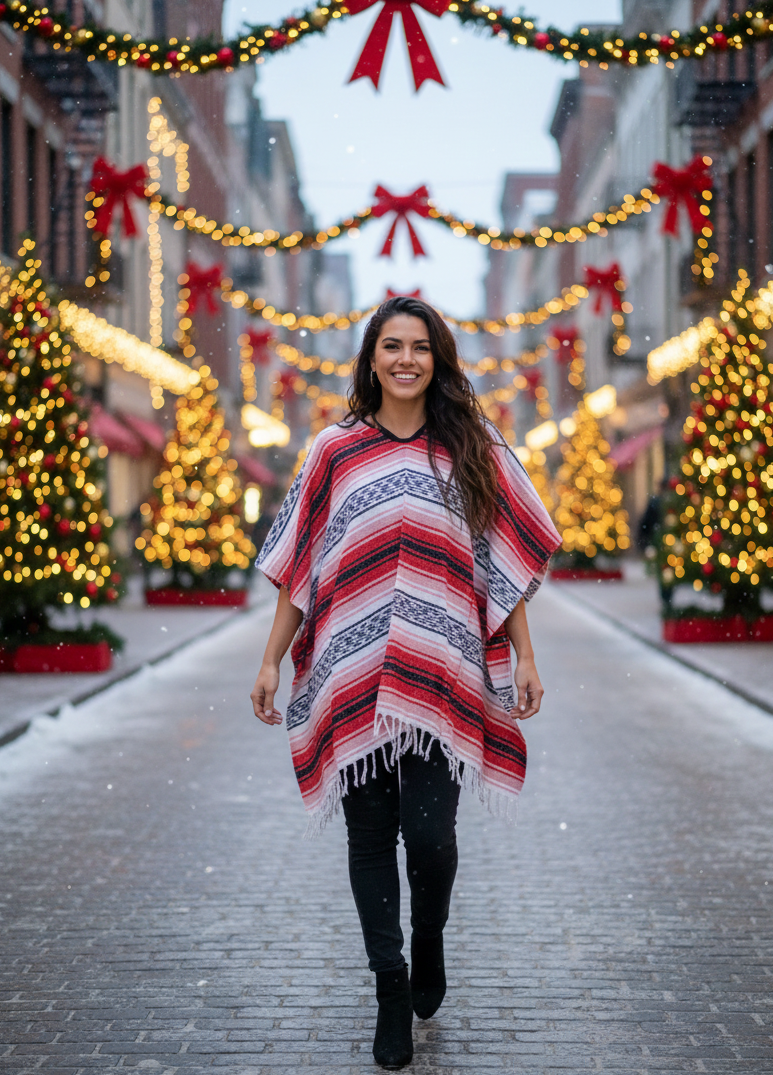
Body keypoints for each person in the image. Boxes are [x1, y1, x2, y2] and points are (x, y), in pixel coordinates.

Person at [249, 296, 562, 1069]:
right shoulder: (334, 449)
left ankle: (429, 935)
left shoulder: (473, 446)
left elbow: (501, 564)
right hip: (351, 677)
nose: (404, 360)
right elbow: (300, 565)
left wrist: (523, 654)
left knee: (430, 841)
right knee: (367, 838)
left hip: (443, 673)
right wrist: (268, 658)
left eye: (419, 347)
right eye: (391, 346)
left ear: (437, 358)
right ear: (371, 357)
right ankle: (390, 986)